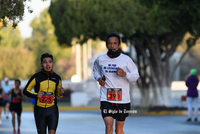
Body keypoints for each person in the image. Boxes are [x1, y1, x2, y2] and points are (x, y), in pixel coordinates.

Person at [93, 33, 139, 134]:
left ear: (119, 45)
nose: (112, 46)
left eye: (115, 43)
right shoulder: (100, 59)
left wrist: (125, 74)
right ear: (106, 45)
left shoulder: (126, 60)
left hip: (122, 100)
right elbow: (95, 71)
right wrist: (99, 78)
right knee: (109, 127)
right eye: (110, 43)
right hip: (106, 98)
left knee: (118, 131)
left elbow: (136, 76)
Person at [23, 53, 64, 134]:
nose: (47, 64)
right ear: (41, 64)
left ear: (53, 63)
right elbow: (25, 91)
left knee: (52, 132)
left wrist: (61, 93)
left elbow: (58, 94)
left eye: (50, 61)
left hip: (52, 110)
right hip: (39, 110)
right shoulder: (36, 77)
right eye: (45, 62)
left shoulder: (57, 78)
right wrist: (36, 95)